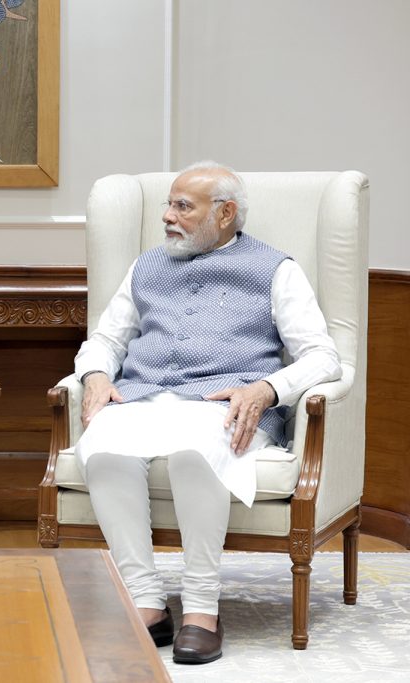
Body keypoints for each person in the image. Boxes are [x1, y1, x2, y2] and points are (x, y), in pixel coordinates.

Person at [73, 161, 341, 664]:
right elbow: (106, 339)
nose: (167, 217)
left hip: (224, 405)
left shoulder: (274, 269)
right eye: (168, 205)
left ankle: (201, 610)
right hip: (144, 397)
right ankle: (147, 603)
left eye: (183, 207)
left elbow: (323, 356)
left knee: (194, 453)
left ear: (225, 213)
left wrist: (267, 389)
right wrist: (96, 375)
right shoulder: (146, 265)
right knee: (103, 448)